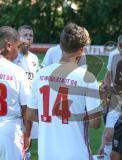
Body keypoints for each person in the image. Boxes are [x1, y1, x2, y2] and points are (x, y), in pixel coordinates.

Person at [26, 23, 101, 160]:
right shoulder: (87, 78)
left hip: (46, 153)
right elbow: (95, 124)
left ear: (60, 45)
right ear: (82, 49)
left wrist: (54, 120)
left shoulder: (41, 74)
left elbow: (30, 114)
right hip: (76, 153)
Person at [0, 26, 31, 160]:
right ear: (8, 45)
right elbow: (26, 109)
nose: (18, 52)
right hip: (10, 132)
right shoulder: (17, 71)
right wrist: (27, 134)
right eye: (17, 47)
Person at [14, 25, 40, 141]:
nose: (28, 38)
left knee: (28, 138)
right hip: (16, 104)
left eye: (31, 35)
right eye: (25, 35)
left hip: (30, 104)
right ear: (17, 38)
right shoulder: (12, 57)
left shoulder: (34, 58)